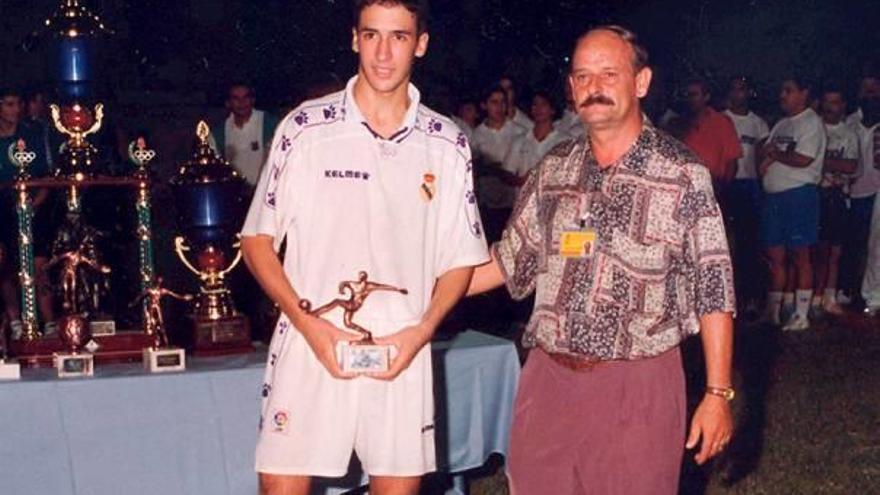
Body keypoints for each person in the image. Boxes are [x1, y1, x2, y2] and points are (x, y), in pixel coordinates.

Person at [467, 26, 735, 494]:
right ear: (571, 89)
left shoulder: (682, 173)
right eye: (583, 76)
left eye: (609, 74)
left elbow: (714, 287)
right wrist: (415, 283)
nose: (594, 87)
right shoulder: (552, 171)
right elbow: (506, 263)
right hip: (548, 381)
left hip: (639, 383)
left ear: (641, 82)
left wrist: (716, 394)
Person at [240, 1, 489, 494]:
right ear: (354, 38)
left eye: (398, 37)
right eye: (372, 35)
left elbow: (460, 261)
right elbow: (257, 241)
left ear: (420, 44)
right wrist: (308, 323)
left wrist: (419, 334)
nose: (382, 53)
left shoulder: (446, 142)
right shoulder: (304, 129)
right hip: (312, 341)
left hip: (402, 347)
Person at [758, 76, 827, 330]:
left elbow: (803, 158)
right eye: (782, 90)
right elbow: (766, 150)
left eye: (789, 90)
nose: (783, 95)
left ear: (803, 93)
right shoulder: (782, 124)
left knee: (801, 254)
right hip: (774, 197)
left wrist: (775, 155)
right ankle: (774, 310)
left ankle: (801, 314)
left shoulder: (811, 123)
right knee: (775, 253)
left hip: (799, 195)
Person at [724, 76, 770, 315]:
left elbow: (762, 157)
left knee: (749, 244)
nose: (738, 94)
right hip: (727, 185)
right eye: (734, 89)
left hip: (750, 186)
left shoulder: (758, 124)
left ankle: (751, 297)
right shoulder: (722, 119)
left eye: (742, 89)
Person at [813, 85, 859, 316]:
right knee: (818, 250)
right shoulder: (815, 129)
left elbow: (851, 165)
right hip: (816, 194)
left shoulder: (848, 133)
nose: (832, 108)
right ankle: (815, 296)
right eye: (828, 102)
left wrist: (821, 162)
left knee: (835, 250)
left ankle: (829, 297)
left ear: (843, 106)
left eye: (836, 102)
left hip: (838, 195)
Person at [678, 78, 743, 199]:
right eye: (686, 95)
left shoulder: (721, 122)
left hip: (713, 186)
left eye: (694, 95)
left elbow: (732, 162)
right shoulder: (677, 124)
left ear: (706, 97)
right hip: (683, 187)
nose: (689, 99)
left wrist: (723, 190)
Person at [210, 81, 279, 188]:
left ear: (253, 100)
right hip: (234, 195)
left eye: (246, 97)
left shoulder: (270, 124)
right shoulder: (218, 134)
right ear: (228, 103)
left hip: (265, 192)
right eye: (236, 99)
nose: (242, 103)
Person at [504, 90, 572, 180]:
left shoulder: (566, 141)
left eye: (543, 104)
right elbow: (507, 173)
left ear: (552, 110)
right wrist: (521, 181)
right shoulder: (520, 141)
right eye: (535, 105)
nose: (538, 109)